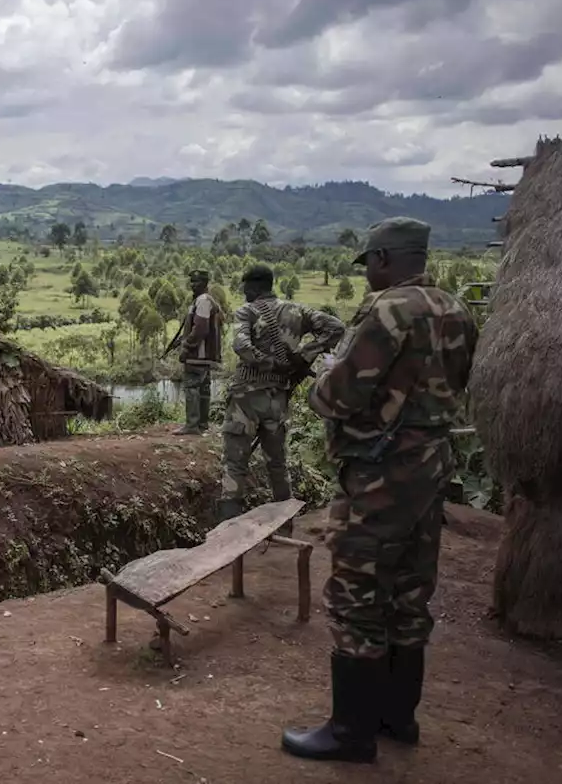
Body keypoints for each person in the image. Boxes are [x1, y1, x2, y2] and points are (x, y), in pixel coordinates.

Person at [281, 217, 478, 763]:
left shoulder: (387, 310)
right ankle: (398, 718)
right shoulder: (456, 308)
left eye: (368, 261)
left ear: (385, 259)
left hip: (380, 473)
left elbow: (338, 397)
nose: (367, 271)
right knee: (411, 591)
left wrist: (323, 376)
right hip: (431, 467)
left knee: (357, 593)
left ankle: (351, 733)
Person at [218, 264, 343, 526]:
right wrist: (303, 356)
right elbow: (336, 327)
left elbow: (241, 346)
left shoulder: (247, 311)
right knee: (277, 464)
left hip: (246, 399)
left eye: (245, 287)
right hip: (278, 399)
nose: (244, 292)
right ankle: (285, 525)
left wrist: (269, 363)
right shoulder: (297, 311)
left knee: (235, 464)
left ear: (252, 286)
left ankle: (227, 531)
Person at [174, 270, 225, 435]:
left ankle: (192, 425)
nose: (193, 285)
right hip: (207, 355)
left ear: (205, 283)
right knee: (203, 388)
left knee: (192, 387)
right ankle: (202, 424)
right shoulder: (208, 300)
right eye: (192, 281)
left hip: (198, 355)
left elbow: (201, 328)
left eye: (197, 282)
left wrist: (187, 347)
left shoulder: (202, 301)